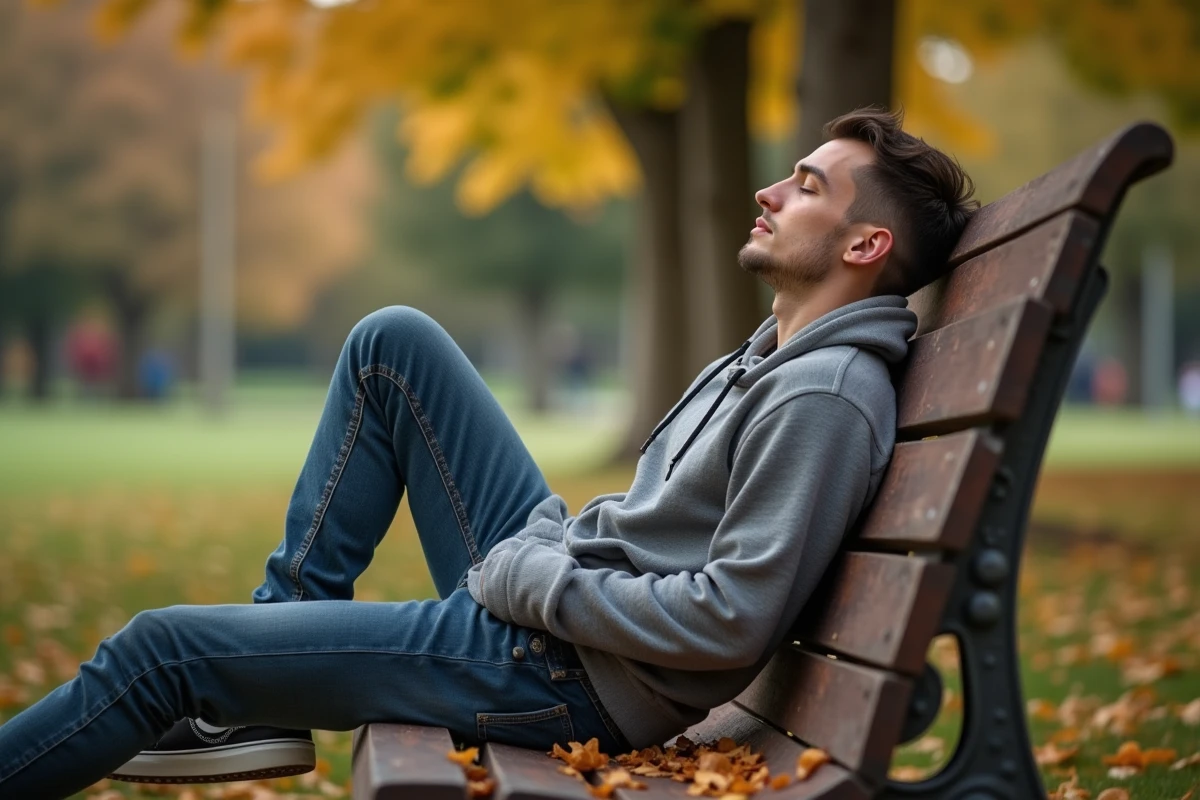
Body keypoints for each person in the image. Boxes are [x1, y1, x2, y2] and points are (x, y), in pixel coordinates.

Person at [0, 108, 977, 799]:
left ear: (862, 246)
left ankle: (241, 690)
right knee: (394, 343)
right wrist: (551, 561)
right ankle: (265, 676)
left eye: (807, 186)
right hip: (563, 609)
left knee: (161, 650)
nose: (770, 190)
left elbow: (728, 620)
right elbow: (662, 542)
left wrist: (541, 582)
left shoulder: (823, 396)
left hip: (560, 671)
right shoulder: (777, 355)